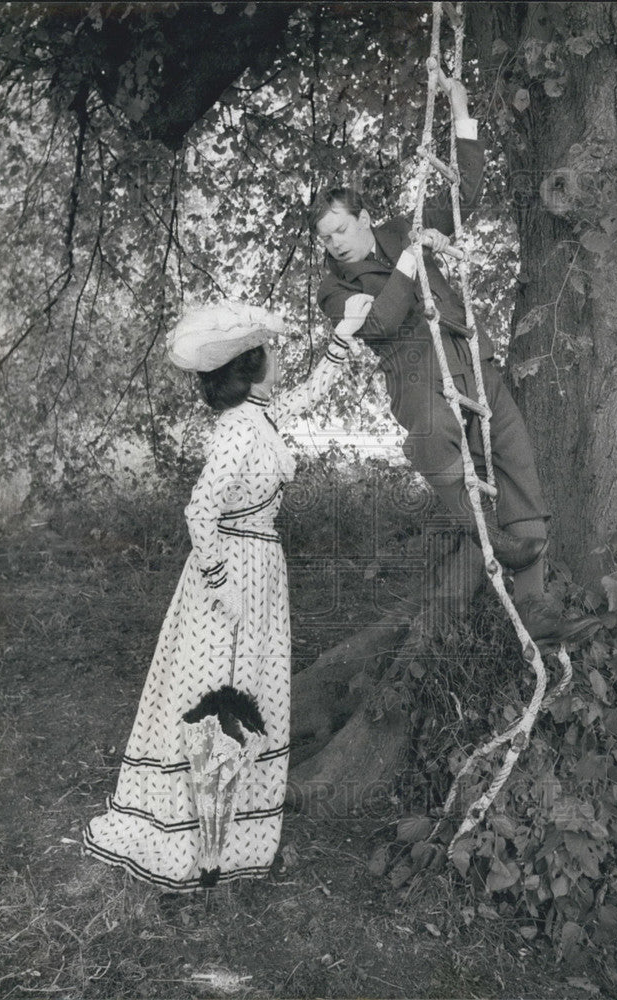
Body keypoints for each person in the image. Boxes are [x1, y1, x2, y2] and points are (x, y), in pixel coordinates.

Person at [82, 297, 370, 891]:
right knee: (219, 701)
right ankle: (202, 842)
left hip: (259, 567)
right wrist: (221, 584)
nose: (280, 360)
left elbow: (310, 395)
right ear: (252, 365)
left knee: (246, 695)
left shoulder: (258, 415)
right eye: (272, 353)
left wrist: (344, 332)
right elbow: (199, 512)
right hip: (232, 577)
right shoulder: (238, 433)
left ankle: (228, 841)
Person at [309, 80, 582, 641]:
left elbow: (466, 195)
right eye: (324, 238)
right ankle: (489, 538)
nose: (334, 244)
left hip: (471, 360)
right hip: (419, 379)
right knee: (438, 450)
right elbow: (382, 322)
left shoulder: (399, 227)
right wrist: (412, 260)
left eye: (340, 229)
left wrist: (460, 108)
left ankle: (536, 611)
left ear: (362, 218)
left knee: (517, 465)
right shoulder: (333, 290)